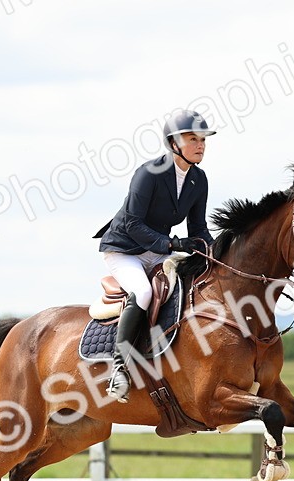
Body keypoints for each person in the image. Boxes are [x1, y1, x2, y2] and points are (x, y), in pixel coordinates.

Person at [94, 109, 216, 402]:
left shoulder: (199, 179)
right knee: (144, 292)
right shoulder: (149, 174)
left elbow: (198, 227)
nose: (200, 145)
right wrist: (173, 245)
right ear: (174, 143)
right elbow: (134, 224)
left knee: (188, 288)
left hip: (157, 249)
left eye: (202, 139)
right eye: (192, 139)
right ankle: (119, 371)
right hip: (125, 249)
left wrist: (215, 252)